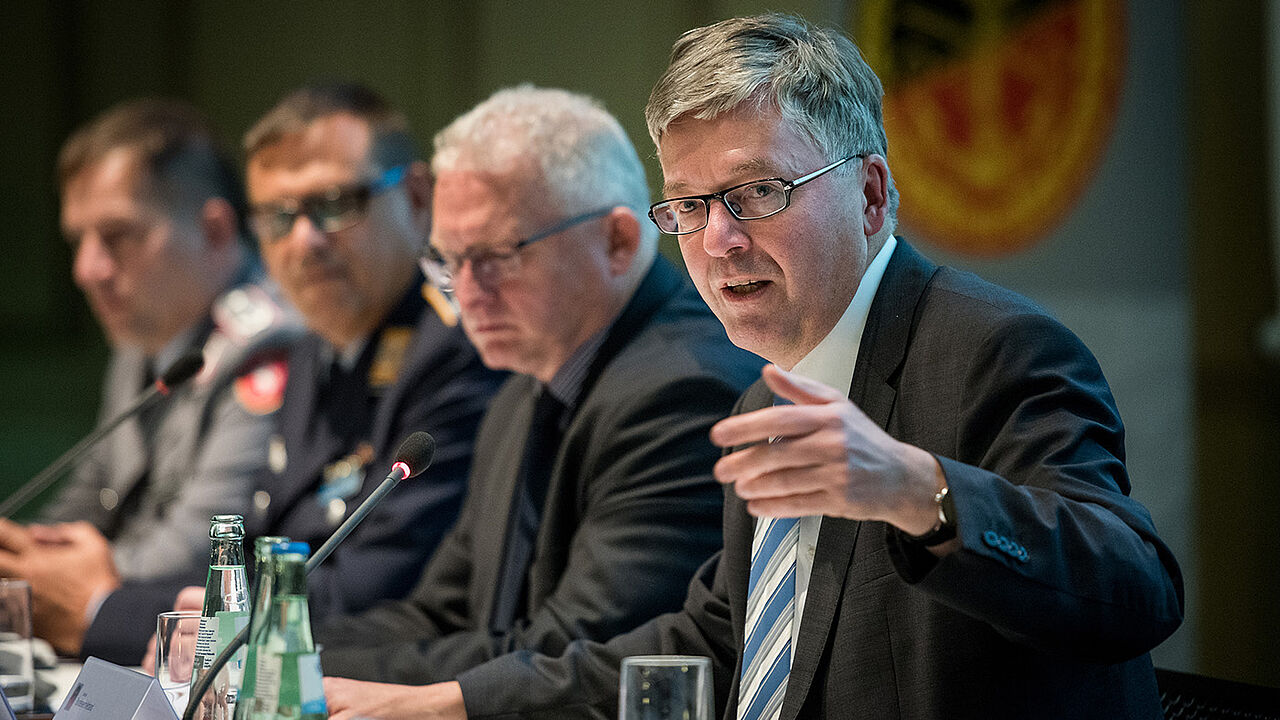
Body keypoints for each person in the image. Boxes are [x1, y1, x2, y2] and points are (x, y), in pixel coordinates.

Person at [344, 13, 1186, 720]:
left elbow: (1136, 590)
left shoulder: (992, 350)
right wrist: (450, 703)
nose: (718, 241)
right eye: (690, 205)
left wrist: (915, 489)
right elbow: (719, 641)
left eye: (757, 194)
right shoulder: (769, 389)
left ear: (870, 194)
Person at [317, 85, 762, 706]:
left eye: (497, 256)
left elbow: (572, 650)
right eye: (448, 262)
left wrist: (302, 671)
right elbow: (441, 613)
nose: (468, 294)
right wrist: (275, 647)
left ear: (618, 241)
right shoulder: (522, 391)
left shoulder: (681, 391)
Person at [80, 83, 505, 665]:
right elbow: (263, 548)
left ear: (414, 197)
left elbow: (379, 589)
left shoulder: (458, 351)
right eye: (278, 216)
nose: (304, 240)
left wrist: (107, 614)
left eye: (335, 203)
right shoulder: (313, 348)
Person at [0, 99, 300, 656]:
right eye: (78, 240)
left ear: (214, 230)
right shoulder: (145, 340)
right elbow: (90, 498)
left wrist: (41, 582)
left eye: (118, 236)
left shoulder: (268, 345)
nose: (86, 270)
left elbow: (201, 549)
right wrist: (18, 554)